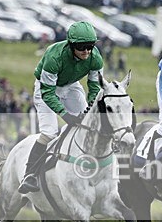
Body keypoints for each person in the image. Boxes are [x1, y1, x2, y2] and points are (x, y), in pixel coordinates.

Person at [17, 21, 103, 194]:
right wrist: (65, 115)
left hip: (71, 86)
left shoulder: (95, 58)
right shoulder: (54, 56)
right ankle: (30, 174)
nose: (86, 51)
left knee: (87, 124)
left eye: (90, 46)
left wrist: (91, 107)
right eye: (81, 46)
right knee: (49, 132)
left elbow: (95, 88)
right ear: (71, 45)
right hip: (46, 87)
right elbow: (48, 93)